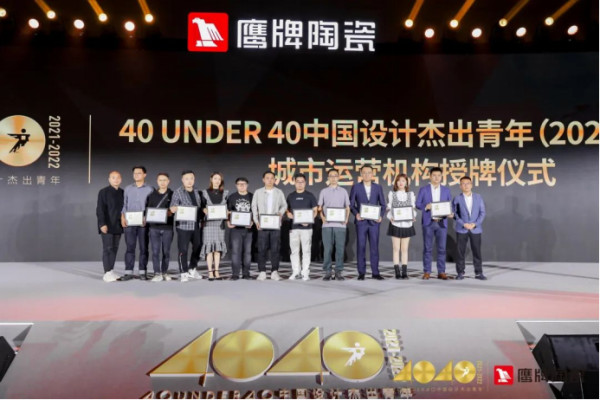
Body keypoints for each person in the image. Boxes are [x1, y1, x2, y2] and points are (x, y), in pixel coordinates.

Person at [349, 165, 387, 280]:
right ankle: (361, 272)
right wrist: (356, 214)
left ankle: (375, 272)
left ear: (372, 174)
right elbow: (351, 204)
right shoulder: (356, 187)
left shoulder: (378, 187)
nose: (366, 175)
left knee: (374, 247)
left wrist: (380, 216)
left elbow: (383, 205)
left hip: (374, 223)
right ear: (361, 174)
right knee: (361, 247)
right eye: (364, 172)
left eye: (369, 172)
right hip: (361, 222)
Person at [416, 167, 453, 280]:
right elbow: (417, 204)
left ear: (441, 177)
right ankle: (427, 271)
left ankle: (441, 272)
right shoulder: (424, 189)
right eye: (434, 175)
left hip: (442, 223)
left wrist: (451, 212)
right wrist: (426, 206)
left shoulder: (446, 190)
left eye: (439, 175)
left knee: (441, 249)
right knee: (427, 248)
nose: (437, 178)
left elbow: (450, 205)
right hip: (429, 222)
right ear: (430, 176)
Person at [251, 171, 287, 281]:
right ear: (263, 179)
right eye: (267, 178)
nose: (270, 180)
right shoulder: (258, 192)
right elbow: (254, 207)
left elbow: (284, 205)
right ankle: (262, 271)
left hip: (275, 225)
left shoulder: (279, 192)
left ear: (275, 180)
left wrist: (280, 212)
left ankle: (274, 272)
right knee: (262, 249)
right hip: (262, 225)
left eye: (272, 178)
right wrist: (256, 221)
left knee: (275, 249)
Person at [170, 170, 205, 283]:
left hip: (196, 225)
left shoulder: (198, 191)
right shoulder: (178, 192)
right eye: (187, 179)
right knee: (183, 250)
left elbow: (200, 207)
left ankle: (192, 268)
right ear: (182, 180)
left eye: (191, 178)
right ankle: (183, 272)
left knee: (198, 248)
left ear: (194, 179)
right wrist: (173, 208)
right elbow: (172, 207)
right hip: (183, 226)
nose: (189, 181)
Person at [120, 166, 154, 281]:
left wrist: (146, 217)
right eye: (135, 173)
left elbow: (151, 206)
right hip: (129, 221)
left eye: (139, 173)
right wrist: (122, 217)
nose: (136, 175)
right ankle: (128, 272)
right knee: (130, 247)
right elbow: (124, 204)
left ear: (145, 175)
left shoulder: (150, 189)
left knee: (144, 248)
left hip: (143, 222)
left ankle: (142, 272)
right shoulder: (128, 188)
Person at [318, 168, 351, 281]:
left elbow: (347, 207)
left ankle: (338, 271)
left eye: (335, 175)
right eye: (331, 176)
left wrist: (346, 218)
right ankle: (327, 271)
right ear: (328, 178)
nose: (333, 178)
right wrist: (322, 217)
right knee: (327, 249)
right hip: (327, 225)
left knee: (340, 249)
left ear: (338, 177)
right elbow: (319, 208)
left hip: (340, 225)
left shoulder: (343, 191)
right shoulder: (323, 191)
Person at [452, 176, 487, 280]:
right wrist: (463, 224)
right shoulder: (457, 198)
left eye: (468, 183)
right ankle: (460, 272)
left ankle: (478, 272)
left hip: (475, 229)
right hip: (461, 228)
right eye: (463, 183)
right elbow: (455, 214)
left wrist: (474, 224)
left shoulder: (478, 197)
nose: (466, 185)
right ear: (460, 186)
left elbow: (482, 213)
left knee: (477, 251)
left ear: (471, 185)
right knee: (460, 252)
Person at [286, 174, 318, 281]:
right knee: (294, 251)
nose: (300, 183)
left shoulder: (310, 195)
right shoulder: (290, 196)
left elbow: (315, 210)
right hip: (293, 227)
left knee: (306, 251)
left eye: (302, 181)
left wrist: (309, 220)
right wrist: (288, 214)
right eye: (298, 181)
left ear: (305, 183)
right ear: (294, 182)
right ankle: (295, 271)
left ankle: (305, 272)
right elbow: (287, 209)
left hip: (307, 228)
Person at [386, 173, 417, 280]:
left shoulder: (410, 194)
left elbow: (413, 209)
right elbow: (389, 209)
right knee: (396, 249)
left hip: (407, 224)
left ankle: (404, 273)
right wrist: (390, 217)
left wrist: (413, 217)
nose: (401, 183)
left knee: (404, 249)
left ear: (406, 183)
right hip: (395, 224)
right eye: (399, 181)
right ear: (396, 183)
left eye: (403, 181)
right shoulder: (392, 194)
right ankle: (397, 273)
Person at [96, 171, 124, 282]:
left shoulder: (122, 192)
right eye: (113, 177)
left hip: (118, 224)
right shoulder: (103, 192)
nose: (115, 180)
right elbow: (100, 209)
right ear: (109, 179)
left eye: (117, 178)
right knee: (107, 249)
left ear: (120, 179)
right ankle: (106, 272)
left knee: (114, 248)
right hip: (107, 225)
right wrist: (102, 224)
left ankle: (111, 270)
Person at [147, 172, 174, 282]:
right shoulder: (152, 195)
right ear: (157, 182)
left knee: (166, 252)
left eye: (164, 180)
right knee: (155, 251)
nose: (162, 182)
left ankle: (164, 272)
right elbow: (148, 210)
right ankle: (157, 273)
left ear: (168, 181)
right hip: (154, 227)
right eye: (160, 180)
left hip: (168, 227)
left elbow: (177, 210)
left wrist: (172, 212)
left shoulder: (173, 194)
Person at [201, 172, 229, 281]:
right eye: (215, 178)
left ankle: (216, 271)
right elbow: (201, 207)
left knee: (217, 249)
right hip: (208, 224)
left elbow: (227, 208)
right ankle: (210, 271)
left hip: (219, 224)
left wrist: (227, 212)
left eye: (219, 179)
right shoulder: (204, 193)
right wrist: (204, 210)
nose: (217, 181)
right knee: (209, 249)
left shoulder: (225, 193)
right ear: (211, 179)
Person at [227, 177, 254, 280]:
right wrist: (228, 222)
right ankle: (235, 274)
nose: (242, 186)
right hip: (235, 229)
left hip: (248, 229)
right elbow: (228, 212)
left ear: (247, 185)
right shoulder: (232, 197)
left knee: (247, 252)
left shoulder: (252, 197)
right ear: (236, 185)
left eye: (244, 184)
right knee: (235, 252)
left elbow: (256, 211)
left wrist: (252, 221)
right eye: (239, 184)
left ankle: (246, 273)